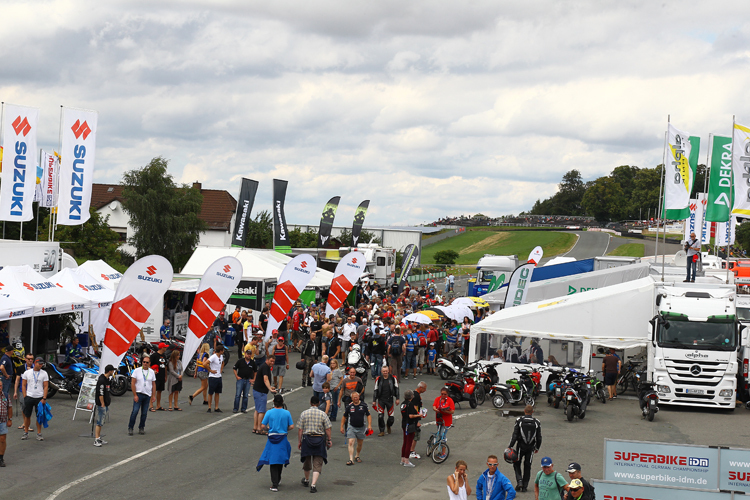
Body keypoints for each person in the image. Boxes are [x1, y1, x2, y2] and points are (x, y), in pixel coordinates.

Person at [257, 394, 294, 492]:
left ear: (273, 402)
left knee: (273, 460)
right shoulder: (287, 413)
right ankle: (278, 479)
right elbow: (291, 426)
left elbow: (263, 425)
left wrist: (267, 429)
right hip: (282, 438)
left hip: (272, 438)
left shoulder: (269, 412)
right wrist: (285, 428)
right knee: (280, 460)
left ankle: (274, 483)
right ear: (282, 402)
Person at [298, 394, 333, 493]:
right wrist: (329, 440)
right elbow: (328, 428)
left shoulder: (304, 413)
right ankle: (313, 485)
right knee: (318, 462)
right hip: (319, 440)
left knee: (307, 460)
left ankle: (307, 479)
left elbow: (300, 429)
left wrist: (300, 441)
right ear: (318, 403)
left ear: (310, 403)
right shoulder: (322, 414)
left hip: (307, 439)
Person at [508, 405, 542, 492]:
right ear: (532, 412)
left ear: (524, 411)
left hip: (520, 446)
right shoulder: (536, 422)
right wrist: (537, 447)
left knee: (516, 463)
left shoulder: (519, 421)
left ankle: (519, 481)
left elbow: (515, 435)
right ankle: (525, 485)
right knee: (527, 466)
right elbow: (539, 437)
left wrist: (510, 446)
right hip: (530, 448)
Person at [340, 391, 372, 465]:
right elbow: (344, 416)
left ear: (359, 397)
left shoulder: (364, 405)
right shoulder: (349, 406)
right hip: (352, 427)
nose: (355, 398)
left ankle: (357, 455)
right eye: (354, 397)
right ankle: (351, 459)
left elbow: (368, 415)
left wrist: (369, 425)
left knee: (360, 443)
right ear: (352, 398)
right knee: (351, 442)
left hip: (361, 427)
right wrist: (341, 426)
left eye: (356, 397)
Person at [21, 357, 49, 441]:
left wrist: (44, 398)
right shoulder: (27, 372)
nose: (41, 365)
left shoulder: (44, 373)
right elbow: (23, 385)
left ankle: (39, 433)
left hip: (39, 397)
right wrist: (25, 396)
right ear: (35, 363)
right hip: (29, 396)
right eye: (39, 363)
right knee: (27, 415)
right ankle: (26, 432)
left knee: (39, 416)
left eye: (42, 364)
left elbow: (46, 386)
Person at [129, 355, 156, 436]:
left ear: (149, 363)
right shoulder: (137, 371)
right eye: (144, 362)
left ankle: (141, 427)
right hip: (138, 394)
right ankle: (130, 427)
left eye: (147, 362)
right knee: (135, 411)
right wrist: (135, 395)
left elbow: (153, 384)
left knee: (144, 413)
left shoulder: (151, 372)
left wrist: (153, 395)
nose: (145, 363)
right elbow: (133, 383)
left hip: (147, 395)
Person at [373, 365, 399, 436]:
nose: (385, 372)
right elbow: (375, 390)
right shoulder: (378, 379)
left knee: (391, 418)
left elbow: (396, 388)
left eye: (386, 371)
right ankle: (382, 431)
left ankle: (388, 425)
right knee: (380, 416)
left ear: (388, 371)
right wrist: (374, 400)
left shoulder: (393, 378)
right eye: (383, 371)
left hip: (390, 400)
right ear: (381, 372)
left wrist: (397, 398)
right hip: (381, 400)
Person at [253, 356, 277, 434]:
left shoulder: (264, 366)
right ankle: (260, 429)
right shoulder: (265, 367)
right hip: (261, 392)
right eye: (271, 361)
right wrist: (270, 389)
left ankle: (255, 427)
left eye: (273, 361)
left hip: (256, 390)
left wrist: (270, 386)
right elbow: (265, 379)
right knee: (262, 411)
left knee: (257, 410)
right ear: (267, 360)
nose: (272, 363)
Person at [94, 364, 115, 447]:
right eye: (112, 370)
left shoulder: (107, 380)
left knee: (102, 421)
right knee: (99, 422)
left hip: (105, 403)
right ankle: (96, 439)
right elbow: (100, 393)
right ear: (109, 371)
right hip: (101, 404)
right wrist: (102, 403)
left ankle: (99, 437)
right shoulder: (102, 380)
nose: (113, 372)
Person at [400, 389, 421, 467]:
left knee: (405, 442)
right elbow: (411, 415)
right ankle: (406, 461)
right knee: (409, 443)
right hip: (410, 425)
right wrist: (419, 415)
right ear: (411, 396)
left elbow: (403, 415)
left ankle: (402, 459)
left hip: (404, 424)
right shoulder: (410, 404)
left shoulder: (403, 404)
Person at [233, 348, 257, 413]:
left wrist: (254, 379)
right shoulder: (240, 361)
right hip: (241, 379)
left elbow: (255, 371)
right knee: (238, 394)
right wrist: (237, 376)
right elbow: (234, 368)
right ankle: (235, 408)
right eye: (248, 354)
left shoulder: (252, 362)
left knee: (245, 395)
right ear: (245, 354)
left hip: (248, 380)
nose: (249, 355)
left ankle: (244, 408)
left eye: (250, 354)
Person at [150, 343, 168, 411]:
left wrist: (166, 376)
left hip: (162, 375)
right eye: (165, 347)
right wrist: (152, 371)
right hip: (155, 376)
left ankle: (158, 405)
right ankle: (151, 405)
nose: (166, 349)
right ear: (162, 348)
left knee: (160, 390)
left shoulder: (164, 356)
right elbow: (149, 365)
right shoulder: (154, 356)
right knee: (153, 390)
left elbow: (165, 366)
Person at [207, 344, 225, 413]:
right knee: (211, 392)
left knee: (217, 392)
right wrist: (210, 370)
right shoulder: (213, 357)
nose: (223, 352)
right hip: (212, 377)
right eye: (222, 350)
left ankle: (216, 407)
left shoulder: (221, 356)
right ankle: (209, 407)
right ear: (220, 351)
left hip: (219, 376)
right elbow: (205, 363)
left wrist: (221, 369)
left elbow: (222, 363)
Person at [0, 378, 12, 466]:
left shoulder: (6, 395)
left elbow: (9, 407)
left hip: (3, 421)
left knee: (3, 440)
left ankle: (1, 458)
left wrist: (9, 419)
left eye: (0, 385)